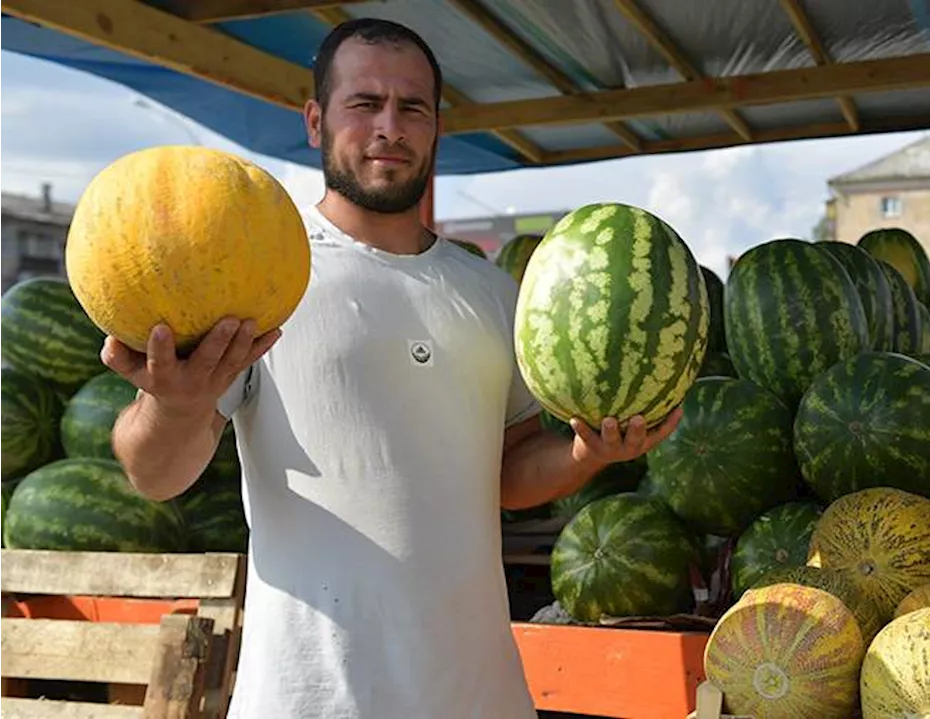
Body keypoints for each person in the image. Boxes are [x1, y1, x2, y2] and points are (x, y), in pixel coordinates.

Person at [103, 18, 680, 718]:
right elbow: (156, 475)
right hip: (311, 698)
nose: (390, 126)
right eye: (364, 103)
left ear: (437, 126)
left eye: (412, 108)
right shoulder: (260, 276)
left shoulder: (493, 292)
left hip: (479, 695)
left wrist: (585, 454)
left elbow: (510, 470)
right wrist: (174, 404)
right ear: (315, 121)